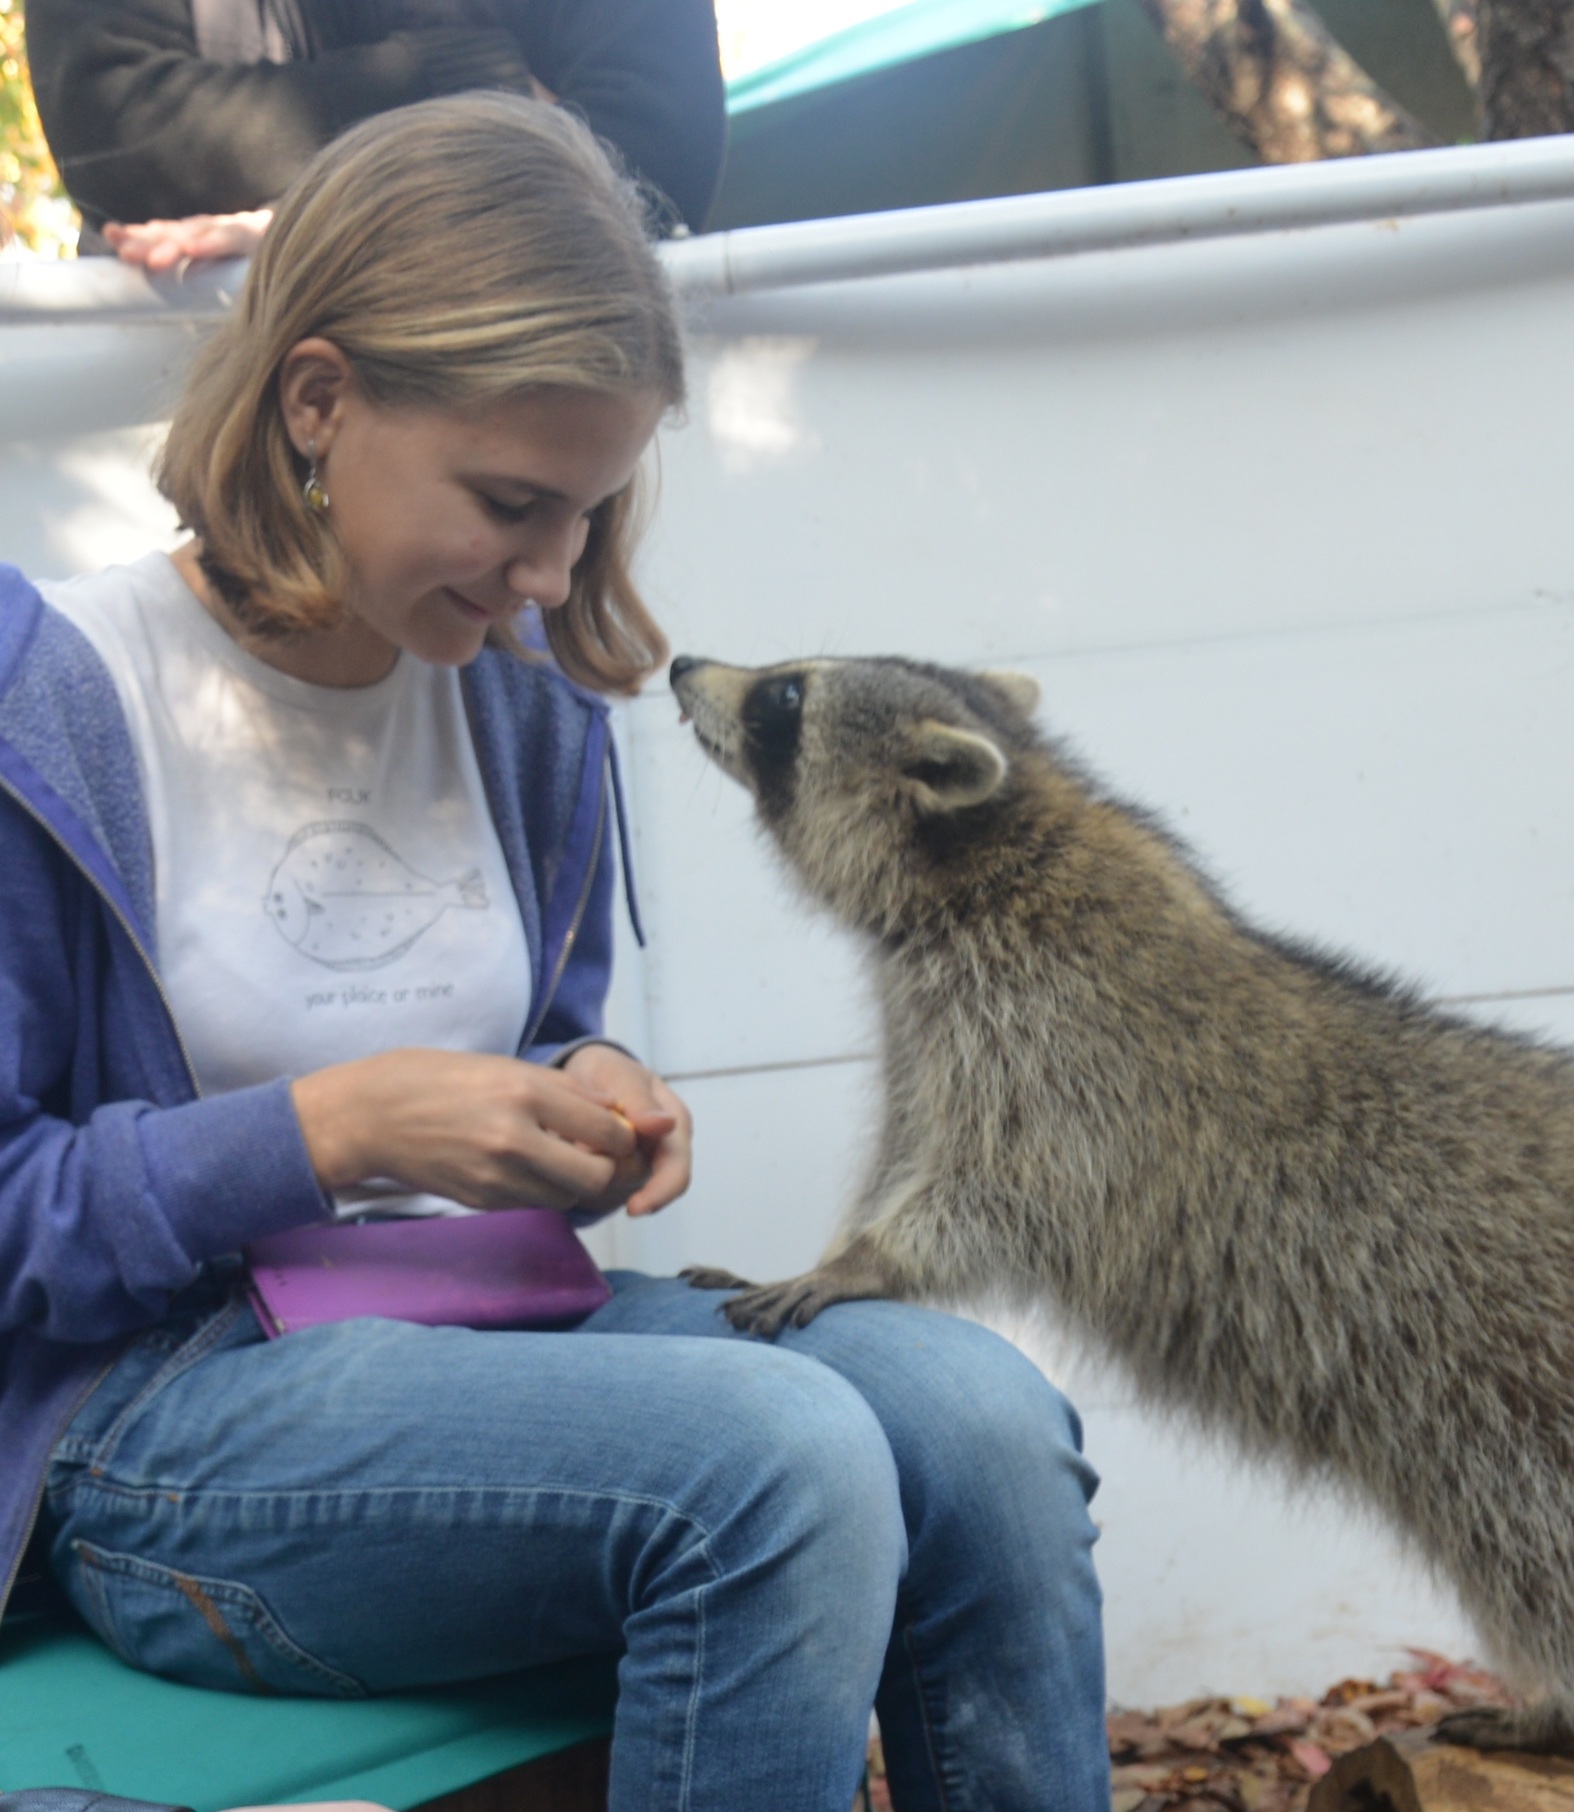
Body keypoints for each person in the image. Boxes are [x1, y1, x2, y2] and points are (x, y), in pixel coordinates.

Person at [0, 93, 1109, 1812]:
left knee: (978, 1418)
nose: (551, 572)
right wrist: (330, 1132)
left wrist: (582, 1094)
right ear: (318, 398)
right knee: (779, 1462)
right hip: (163, 1427)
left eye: (587, 511)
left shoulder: (517, 704)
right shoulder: (52, 700)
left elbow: (538, 1041)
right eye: (516, 500)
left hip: (499, 1332)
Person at [23, 0, 727, 266]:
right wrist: (477, 78)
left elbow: (653, 165)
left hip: (526, 420)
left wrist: (318, 228)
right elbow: (124, 139)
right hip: (193, 411)